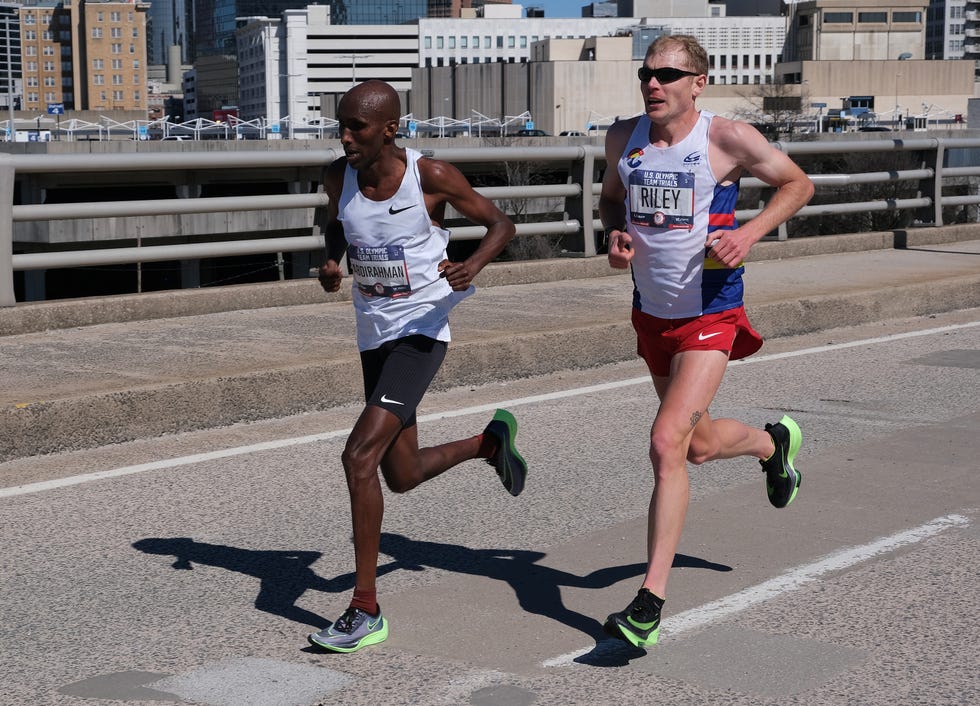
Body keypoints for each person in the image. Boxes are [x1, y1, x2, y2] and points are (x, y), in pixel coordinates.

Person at [597, 35, 815, 649]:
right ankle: (772, 444)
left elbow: (798, 185)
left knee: (666, 441)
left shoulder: (726, 139)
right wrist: (615, 237)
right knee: (692, 449)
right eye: (647, 73)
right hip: (651, 315)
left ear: (699, 83)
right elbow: (612, 201)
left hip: (710, 315)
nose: (653, 83)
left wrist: (748, 236)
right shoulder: (624, 139)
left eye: (669, 74)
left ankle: (648, 603)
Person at [308, 79, 526, 653]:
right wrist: (332, 259)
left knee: (358, 456)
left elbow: (501, 224)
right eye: (341, 124)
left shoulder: (430, 176)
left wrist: (472, 264)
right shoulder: (340, 176)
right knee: (399, 476)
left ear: (390, 129)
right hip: (373, 332)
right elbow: (337, 221)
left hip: (423, 329)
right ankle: (489, 443)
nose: (346, 136)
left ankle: (365, 608)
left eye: (357, 127)